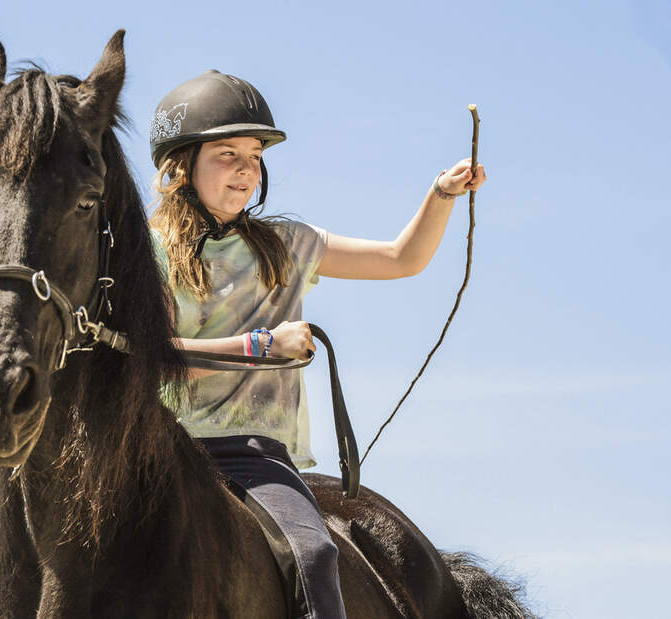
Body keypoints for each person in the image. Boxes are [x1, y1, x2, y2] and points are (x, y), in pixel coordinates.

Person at [147, 70, 486, 619]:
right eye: (226, 154)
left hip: (253, 452)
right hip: (168, 448)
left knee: (313, 550)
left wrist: (440, 195)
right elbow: (157, 361)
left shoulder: (287, 244)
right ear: (180, 165)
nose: (245, 169)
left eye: (254, 156)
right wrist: (260, 346)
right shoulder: (149, 252)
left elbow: (403, 259)